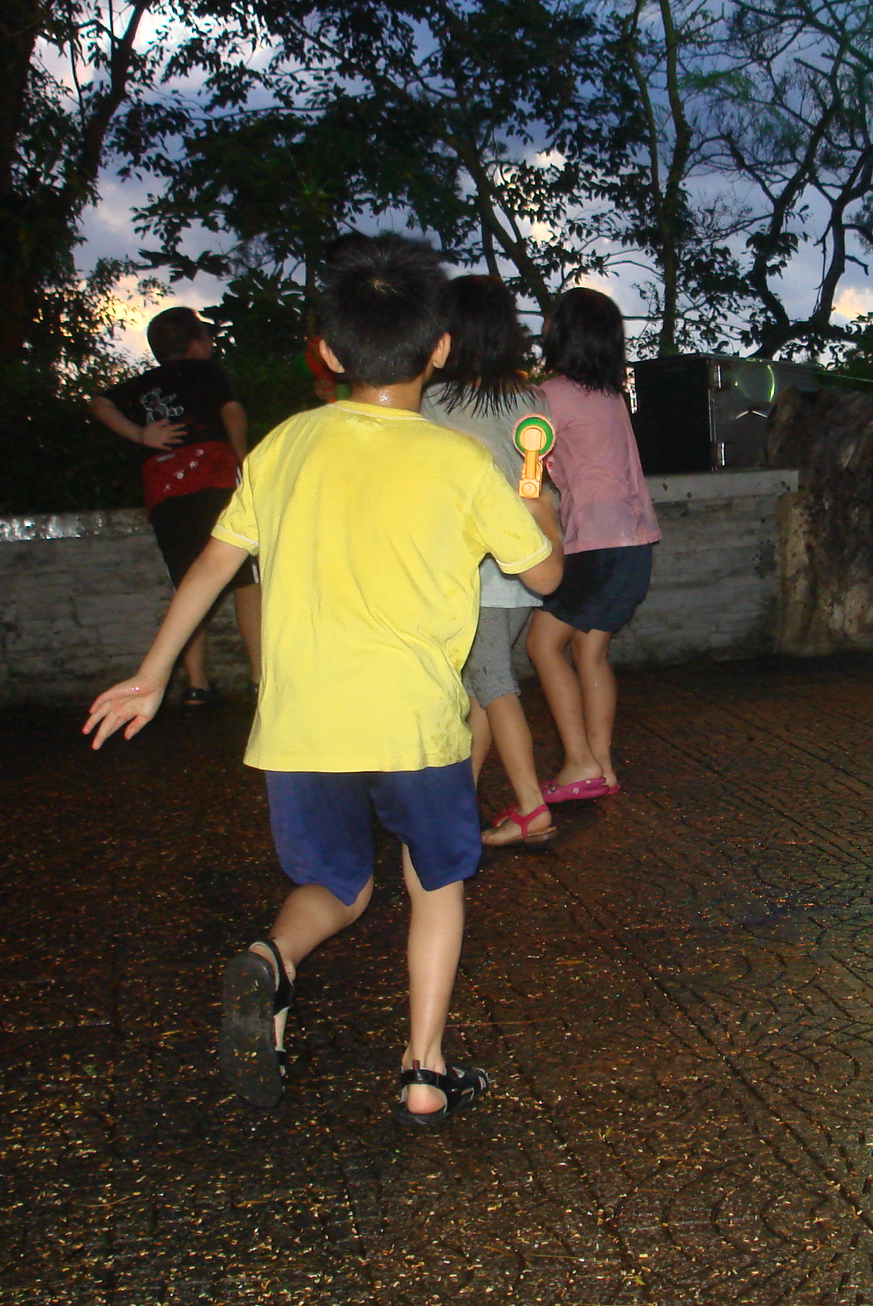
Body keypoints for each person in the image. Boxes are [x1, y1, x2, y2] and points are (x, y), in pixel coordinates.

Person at [84, 234, 565, 1126]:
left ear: (331, 354)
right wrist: (540, 504)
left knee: (339, 888)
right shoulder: (460, 462)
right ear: (440, 349)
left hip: (301, 724)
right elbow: (545, 575)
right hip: (414, 724)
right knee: (434, 883)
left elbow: (213, 565)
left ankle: (272, 959)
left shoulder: (283, 447)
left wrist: (151, 675)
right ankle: (424, 1073)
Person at [421, 276, 558, 848]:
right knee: (485, 688)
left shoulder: (434, 404)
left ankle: (531, 807)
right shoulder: (532, 400)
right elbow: (535, 481)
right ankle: (460, 800)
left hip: (475, 566)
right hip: (529, 560)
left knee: (494, 684)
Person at [87, 307, 262, 703]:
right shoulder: (208, 371)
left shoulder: (142, 384)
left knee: (188, 581)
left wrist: (140, 435)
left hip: (164, 486)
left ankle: (197, 685)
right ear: (197, 344)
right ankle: (259, 677)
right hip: (213, 477)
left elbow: (98, 404)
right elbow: (232, 412)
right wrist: (244, 462)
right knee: (246, 578)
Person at [527, 287, 660, 803]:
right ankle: (601, 767)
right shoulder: (610, 394)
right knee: (591, 652)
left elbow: (527, 467)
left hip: (597, 543)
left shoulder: (550, 395)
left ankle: (580, 764)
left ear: (563, 332)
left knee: (543, 645)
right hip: (635, 539)